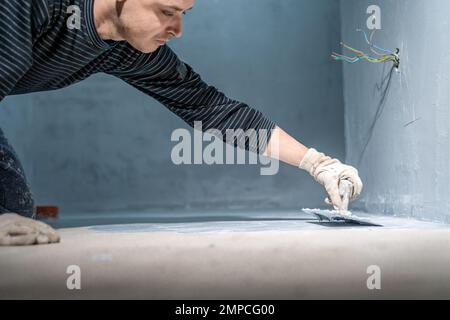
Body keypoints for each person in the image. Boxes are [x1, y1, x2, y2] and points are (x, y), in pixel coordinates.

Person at [0, 0, 362, 246]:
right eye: (167, 11)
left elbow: (214, 109)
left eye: (185, 13)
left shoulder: (129, 50)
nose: (178, 28)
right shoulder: (32, 6)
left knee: (15, 210)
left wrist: (319, 164)